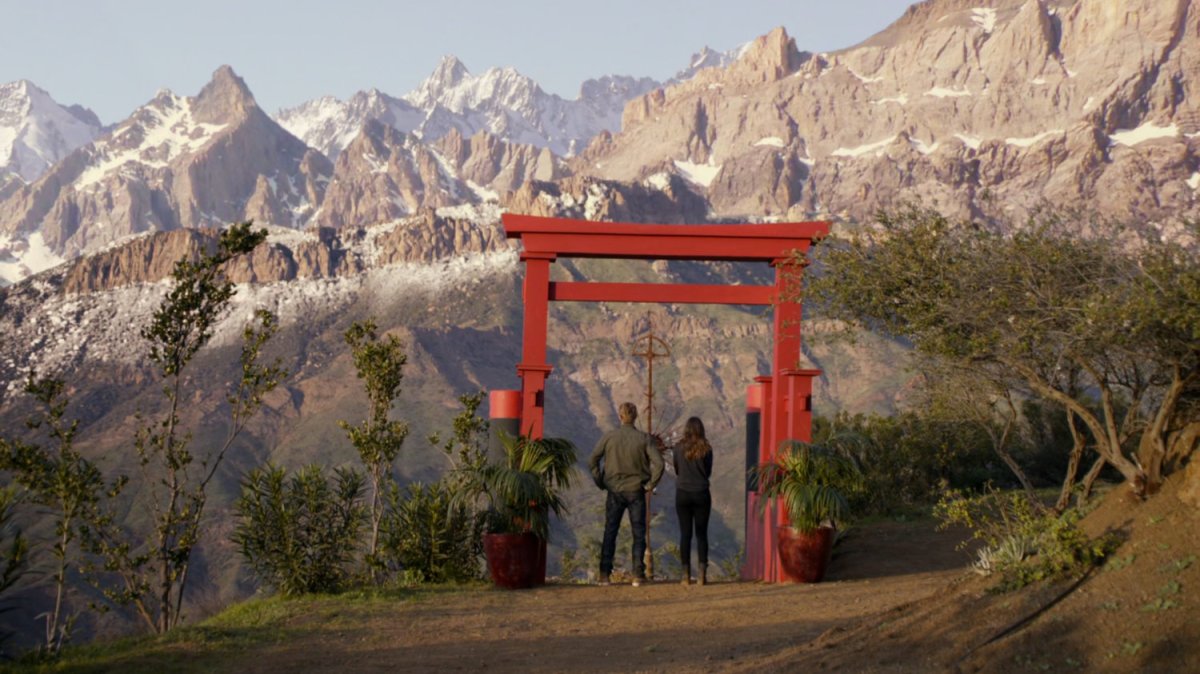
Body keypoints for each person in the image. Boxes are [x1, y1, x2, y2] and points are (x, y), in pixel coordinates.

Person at [589, 401, 664, 586]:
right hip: (636, 491)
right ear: (636, 416)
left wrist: (601, 481)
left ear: (620, 416)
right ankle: (638, 574)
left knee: (610, 531)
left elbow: (593, 460)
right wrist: (649, 485)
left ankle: (604, 574)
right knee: (638, 533)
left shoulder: (609, 437)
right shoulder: (643, 439)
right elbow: (660, 464)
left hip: (614, 491)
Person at [673, 416, 713, 586]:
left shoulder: (677, 448)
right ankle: (702, 574)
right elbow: (708, 471)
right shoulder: (707, 449)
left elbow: (676, 469)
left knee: (685, 534)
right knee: (701, 534)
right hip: (701, 493)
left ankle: (685, 575)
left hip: (683, 493)